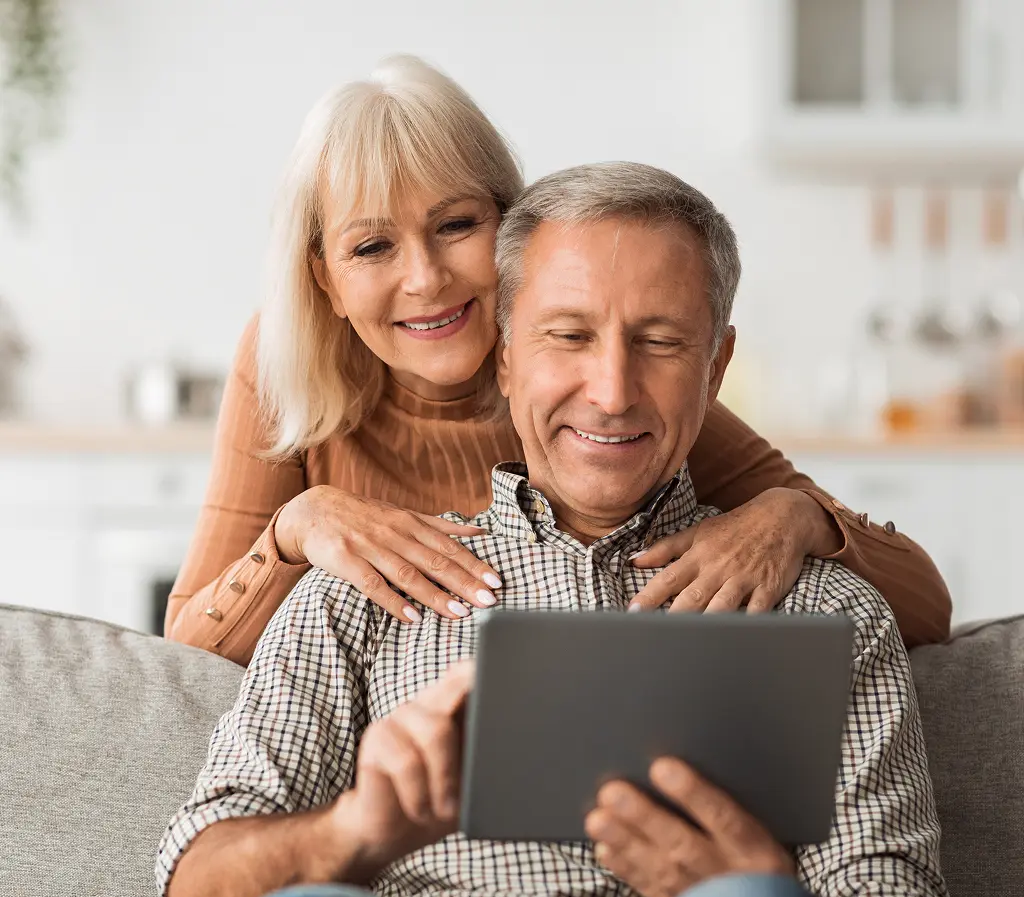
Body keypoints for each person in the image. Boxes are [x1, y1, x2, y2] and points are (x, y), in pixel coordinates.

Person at [158, 163, 951, 897]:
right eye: (568, 336)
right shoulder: (356, 598)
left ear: (715, 365)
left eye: (659, 342)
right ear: (504, 356)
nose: (611, 392)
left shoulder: (825, 613)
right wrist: (355, 831)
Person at [163, 56, 950, 668]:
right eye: (372, 247)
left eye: (456, 225)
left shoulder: (596, 394)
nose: (425, 279)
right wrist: (297, 527)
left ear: (512, 233)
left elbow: (925, 607)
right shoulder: (281, 366)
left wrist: (797, 516)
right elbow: (187, 661)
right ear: (324, 279)